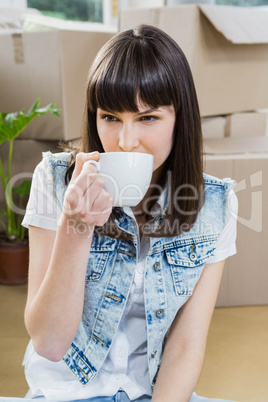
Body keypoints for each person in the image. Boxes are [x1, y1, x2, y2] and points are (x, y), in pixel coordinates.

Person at [1, 25, 238, 402]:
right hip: (68, 392)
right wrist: (76, 226)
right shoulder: (56, 180)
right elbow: (48, 343)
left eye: (147, 118)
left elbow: (185, 348)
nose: (126, 141)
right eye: (110, 117)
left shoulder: (215, 205)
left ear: (181, 119)